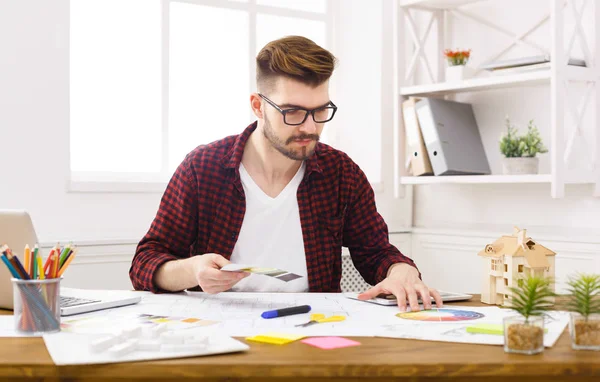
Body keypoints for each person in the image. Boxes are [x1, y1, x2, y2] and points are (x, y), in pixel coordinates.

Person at [129, 36, 442, 312]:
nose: (310, 127)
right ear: (257, 105)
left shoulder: (341, 173)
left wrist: (401, 271)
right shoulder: (202, 168)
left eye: (320, 111)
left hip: (314, 327)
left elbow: (376, 252)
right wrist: (193, 269)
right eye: (292, 112)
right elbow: (145, 263)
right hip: (216, 329)